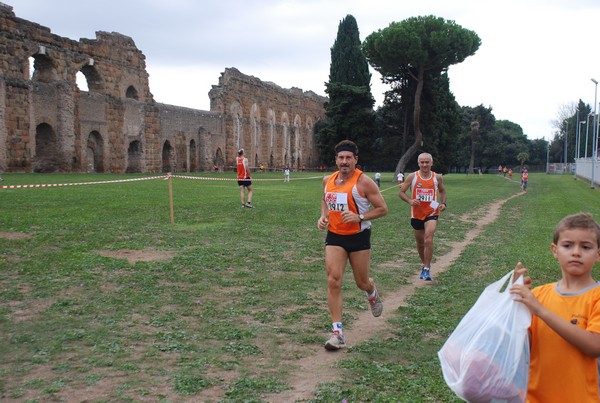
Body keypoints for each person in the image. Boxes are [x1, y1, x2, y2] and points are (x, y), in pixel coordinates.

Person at [510, 213, 600, 402]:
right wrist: (515, 303)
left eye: (585, 247)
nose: (576, 252)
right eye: (567, 245)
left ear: (598, 254)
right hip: (536, 397)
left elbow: (594, 346)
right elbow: (524, 343)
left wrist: (540, 310)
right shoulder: (540, 294)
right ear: (555, 250)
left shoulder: (596, 296)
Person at [317, 140, 388, 350]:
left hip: (359, 237)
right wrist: (323, 216)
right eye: (341, 158)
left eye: (349, 158)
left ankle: (371, 291)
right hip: (335, 236)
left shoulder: (364, 182)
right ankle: (337, 332)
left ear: (356, 160)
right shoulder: (327, 180)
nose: (344, 161)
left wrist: (359, 216)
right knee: (333, 280)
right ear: (336, 160)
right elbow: (325, 200)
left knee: (361, 282)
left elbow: (383, 209)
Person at [398, 152, 447, 281]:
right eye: (422, 162)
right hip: (416, 214)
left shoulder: (437, 177)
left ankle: (426, 268)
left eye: (427, 162)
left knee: (428, 239)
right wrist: (409, 201)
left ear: (431, 163)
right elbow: (401, 192)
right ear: (418, 163)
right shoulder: (412, 177)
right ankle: (425, 264)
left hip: (432, 212)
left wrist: (443, 203)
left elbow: (442, 191)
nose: (425, 165)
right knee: (420, 243)